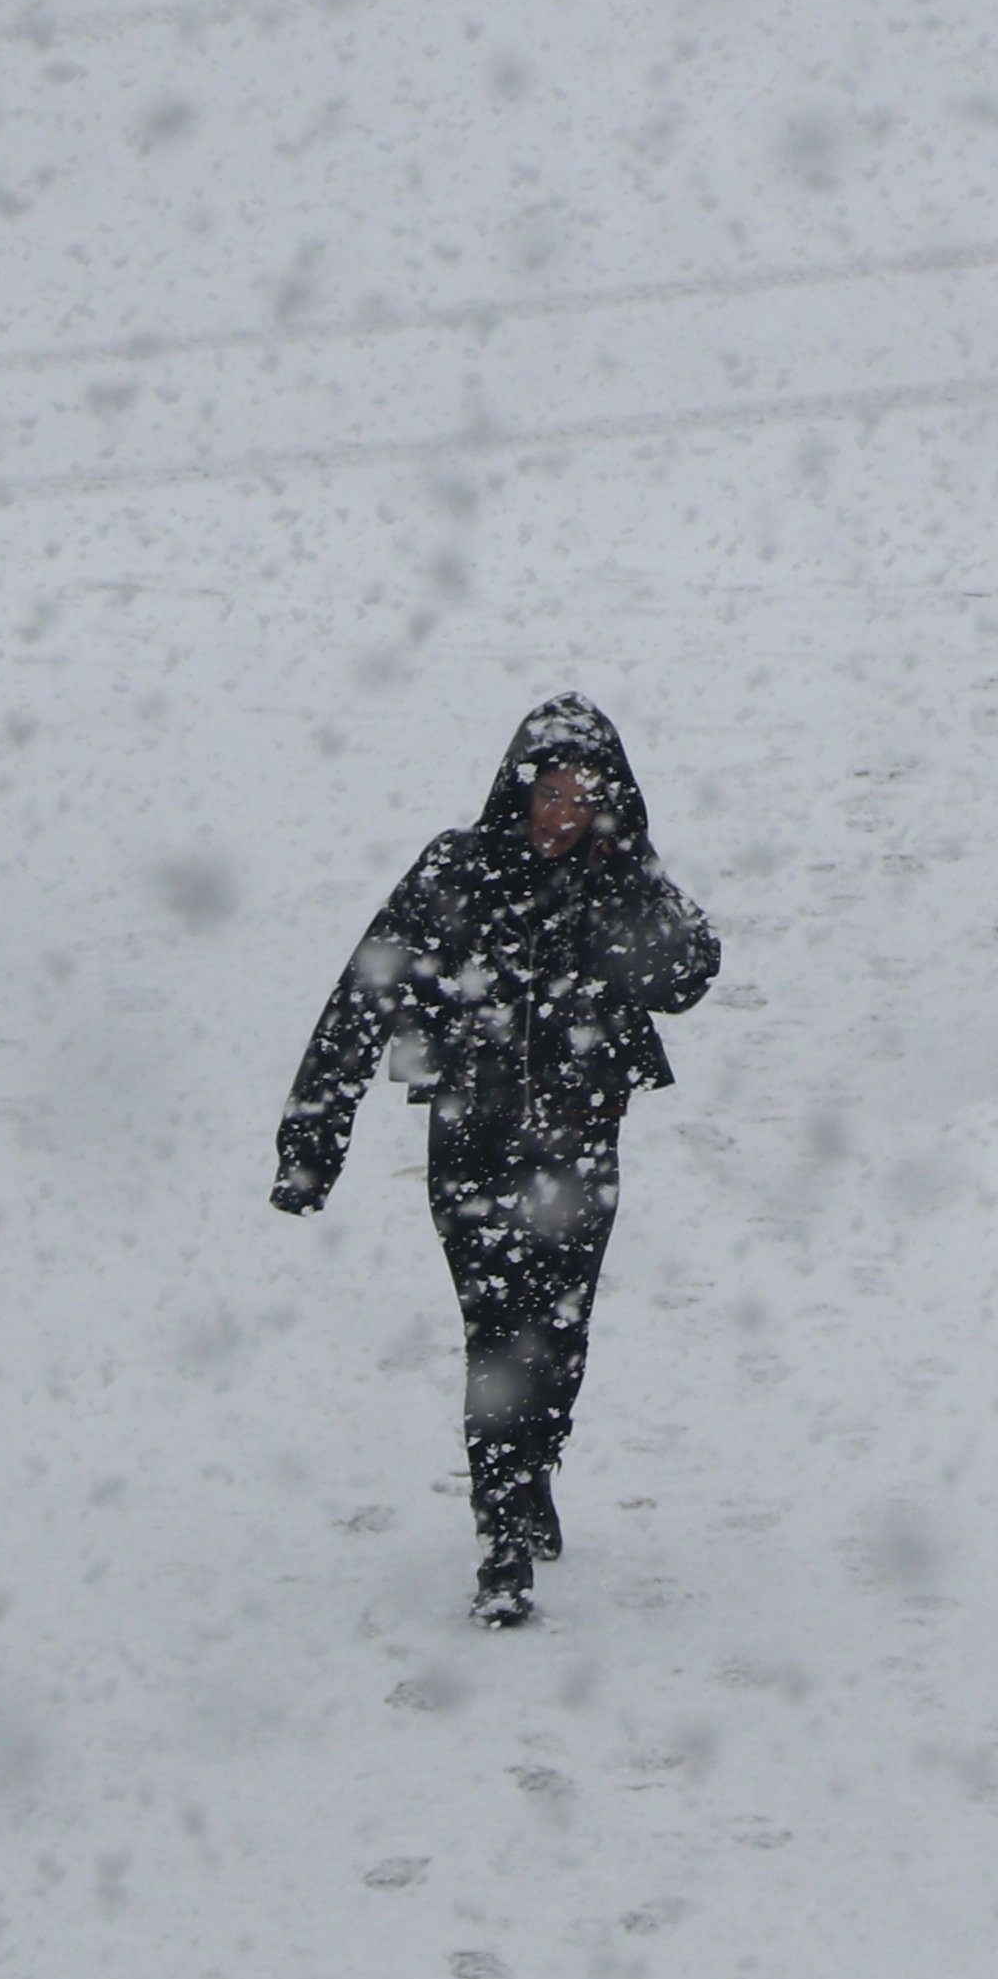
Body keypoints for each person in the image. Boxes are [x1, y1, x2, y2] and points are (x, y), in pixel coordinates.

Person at [273, 695, 721, 1629]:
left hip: (581, 1146)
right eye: (550, 793)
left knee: (557, 1337)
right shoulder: (458, 870)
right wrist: (314, 1140)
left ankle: (536, 1463)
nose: (563, 814)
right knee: (497, 1336)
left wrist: (629, 882)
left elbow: (688, 975)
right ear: (518, 791)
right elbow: (363, 995)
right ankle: (504, 1533)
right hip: (472, 1146)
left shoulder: (619, 882)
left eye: (585, 797)